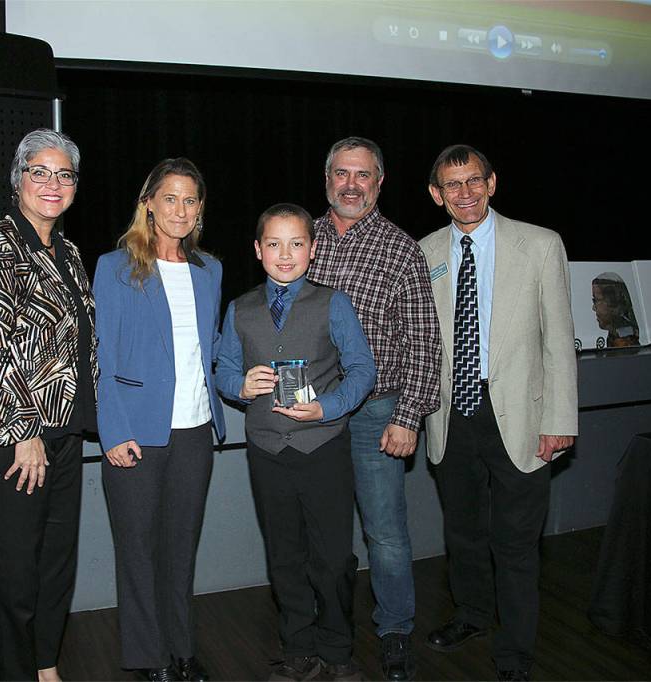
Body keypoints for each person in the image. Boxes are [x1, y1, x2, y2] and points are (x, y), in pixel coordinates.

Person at [418, 144, 577, 681]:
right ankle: (472, 614)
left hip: (520, 416)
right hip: (451, 415)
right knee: (462, 532)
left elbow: (559, 341)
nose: (465, 193)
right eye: (452, 185)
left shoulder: (539, 245)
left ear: (492, 183)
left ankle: (515, 651)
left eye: (474, 181)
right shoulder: (426, 251)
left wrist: (559, 421)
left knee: (514, 542)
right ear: (437, 195)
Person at [216, 203, 376, 682]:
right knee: (284, 558)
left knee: (331, 559)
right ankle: (298, 649)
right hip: (268, 451)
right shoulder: (240, 309)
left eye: (296, 243)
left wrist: (327, 407)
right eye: (274, 244)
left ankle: (337, 650)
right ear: (258, 250)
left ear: (312, 248)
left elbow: (363, 368)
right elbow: (223, 371)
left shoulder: (334, 303)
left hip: (323, 448)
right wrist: (240, 386)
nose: (285, 254)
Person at [0, 129, 96, 681]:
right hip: (7, 437)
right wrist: (24, 428)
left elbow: (81, 345)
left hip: (62, 432)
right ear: (17, 180)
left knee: (55, 565)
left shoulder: (68, 251)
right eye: (39, 171)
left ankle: (45, 665)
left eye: (64, 174)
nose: (52, 183)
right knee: (16, 577)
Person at [306, 136, 441, 681]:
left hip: (375, 415)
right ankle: (327, 628)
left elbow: (425, 342)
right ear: (328, 180)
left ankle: (395, 632)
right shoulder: (301, 238)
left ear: (380, 183)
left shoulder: (400, 249)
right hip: (312, 413)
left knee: (385, 533)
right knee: (322, 533)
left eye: (363, 175)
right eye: (342, 173)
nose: (352, 185)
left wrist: (408, 417)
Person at [93, 158, 226, 682]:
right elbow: (98, 357)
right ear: (148, 202)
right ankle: (149, 659)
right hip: (136, 434)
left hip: (195, 431)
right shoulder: (115, 266)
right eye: (169, 198)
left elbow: (210, 347)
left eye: (190, 200)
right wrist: (114, 430)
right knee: (138, 554)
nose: (180, 209)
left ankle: (182, 649)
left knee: (180, 550)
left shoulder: (210, 269)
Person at [591, 272, 641, 347]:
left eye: (596, 300)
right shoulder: (616, 335)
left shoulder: (625, 343)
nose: (594, 308)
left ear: (611, 302)